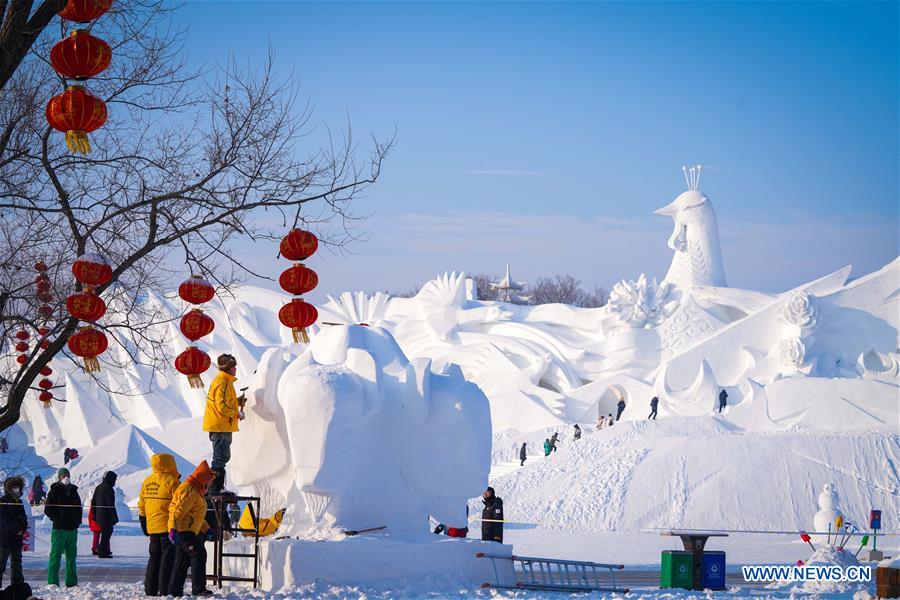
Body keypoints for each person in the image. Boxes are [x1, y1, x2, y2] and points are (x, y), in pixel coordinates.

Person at [168, 460, 216, 597]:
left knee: (182, 562)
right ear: (203, 479)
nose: (210, 484)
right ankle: (199, 589)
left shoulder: (196, 491)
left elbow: (195, 516)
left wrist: (206, 529)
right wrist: (173, 529)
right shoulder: (189, 490)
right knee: (199, 554)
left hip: (188, 530)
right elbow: (178, 511)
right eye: (209, 481)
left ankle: (175, 591)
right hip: (183, 531)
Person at [202, 354, 246, 495]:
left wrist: (238, 402)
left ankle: (216, 488)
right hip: (220, 425)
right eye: (234, 366)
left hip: (220, 425)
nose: (235, 369)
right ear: (228, 368)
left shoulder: (223, 381)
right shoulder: (223, 382)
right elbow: (221, 406)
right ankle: (215, 488)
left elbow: (223, 402)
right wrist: (236, 414)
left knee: (221, 456)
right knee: (220, 457)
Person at [139, 453, 181, 597]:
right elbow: (179, 504)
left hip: (152, 527)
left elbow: (142, 505)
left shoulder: (147, 481)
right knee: (167, 559)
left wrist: (143, 521)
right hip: (168, 528)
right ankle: (164, 590)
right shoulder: (172, 481)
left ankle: (150, 589)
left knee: (154, 558)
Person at [45, 468, 81, 588]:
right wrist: (58, 519)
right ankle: (53, 582)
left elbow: (79, 508)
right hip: (59, 529)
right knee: (55, 556)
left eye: (67, 475)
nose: (66, 478)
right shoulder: (54, 491)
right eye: (63, 476)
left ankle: (71, 583)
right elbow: (48, 510)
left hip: (72, 530)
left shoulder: (74, 491)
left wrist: (77, 522)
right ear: (59, 477)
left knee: (72, 557)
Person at [0, 477, 27, 588]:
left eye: (18, 487)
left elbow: (24, 518)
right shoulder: (2, 501)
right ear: (9, 489)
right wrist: (16, 529)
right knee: (1, 564)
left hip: (17, 539)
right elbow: (3, 520)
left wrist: (22, 528)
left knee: (17, 565)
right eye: (14, 487)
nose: (17, 489)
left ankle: (17, 587)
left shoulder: (19, 502)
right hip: (4, 539)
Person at [90, 471, 118, 558]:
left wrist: (94, 515)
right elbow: (110, 505)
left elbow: (93, 502)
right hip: (106, 517)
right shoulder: (109, 489)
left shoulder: (98, 487)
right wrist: (115, 517)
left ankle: (102, 549)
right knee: (107, 534)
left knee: (104, 534)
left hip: (98, 516)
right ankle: (102, 551)